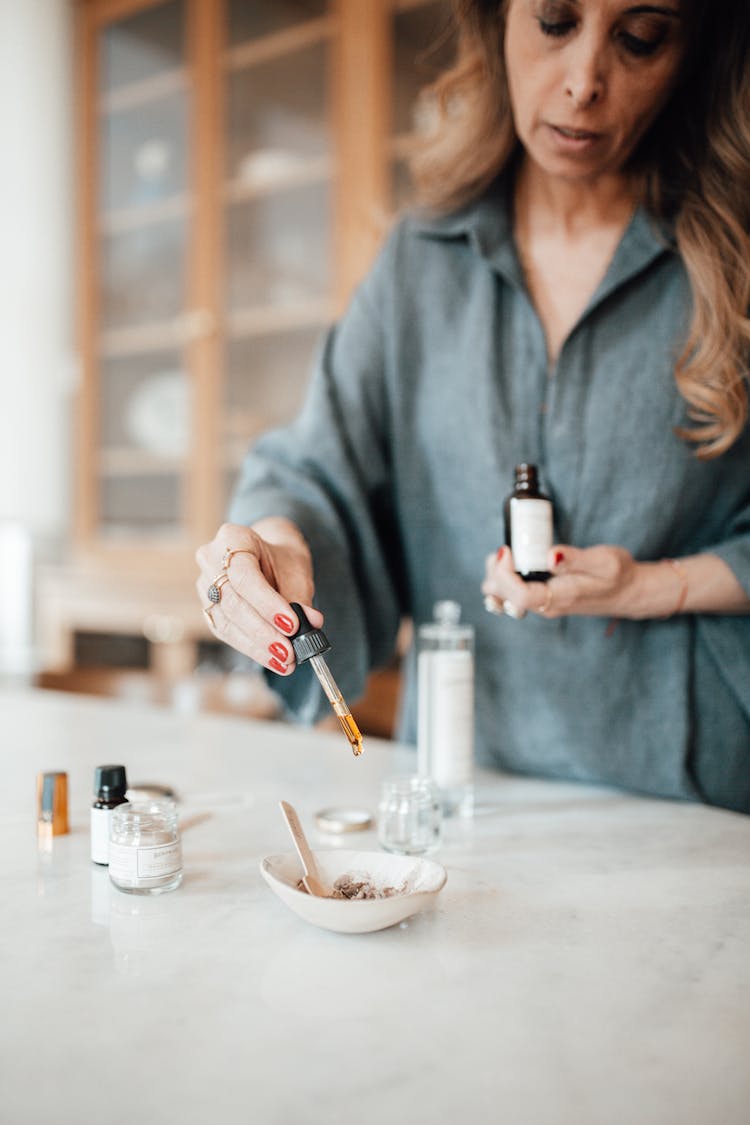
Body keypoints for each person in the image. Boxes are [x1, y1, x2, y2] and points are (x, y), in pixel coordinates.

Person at [196, 0, 750, 812]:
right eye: (556, 22)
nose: (585, 82)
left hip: (693, 804)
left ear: (693, 48)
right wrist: (274, 543)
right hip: (459, 797)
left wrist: (654, 585)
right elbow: (313, 469)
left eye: (640, 39)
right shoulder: (419, 264)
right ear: (496, 22)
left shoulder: (734, 265)